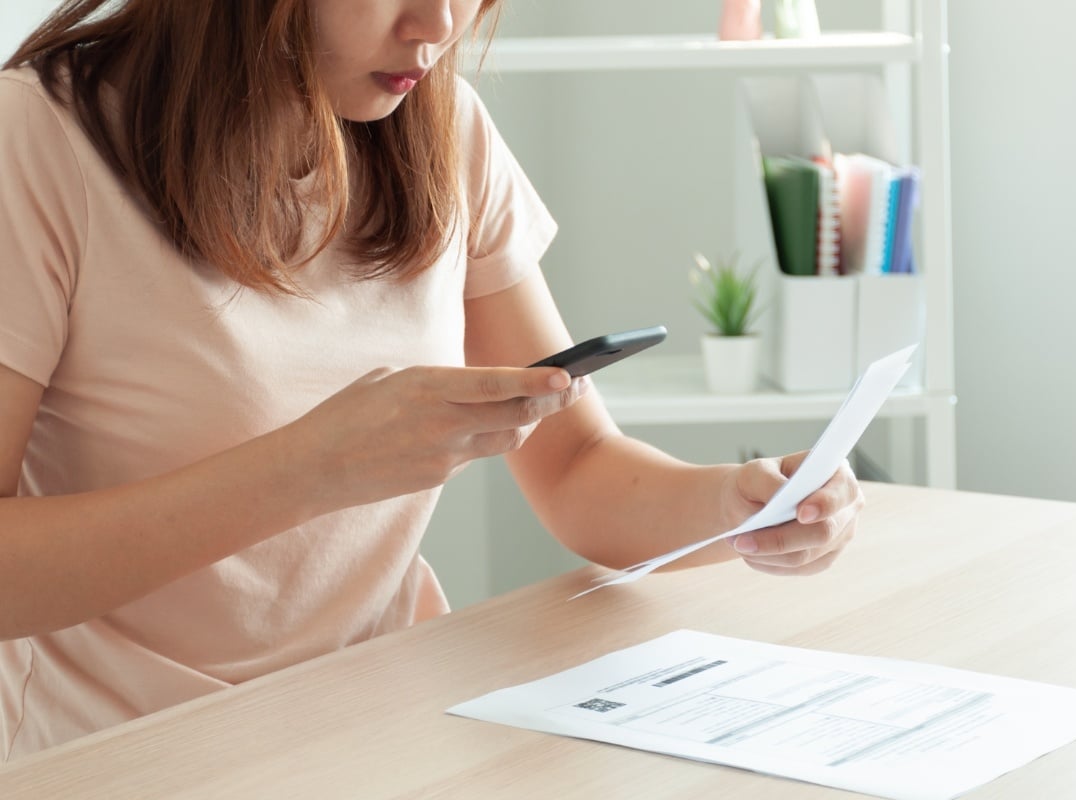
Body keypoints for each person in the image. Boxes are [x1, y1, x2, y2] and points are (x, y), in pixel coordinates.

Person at [0, 0, 865, 761]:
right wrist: (311, 468)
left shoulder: (440, 128)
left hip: (389, 721)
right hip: (122, 755)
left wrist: (743, 509)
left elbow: (576, 468)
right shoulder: (37, 138)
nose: (439, 26)